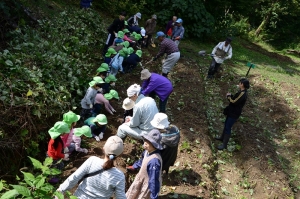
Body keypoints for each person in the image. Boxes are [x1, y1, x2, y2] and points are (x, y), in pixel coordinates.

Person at [57, 136, 126, 199]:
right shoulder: (119, 176)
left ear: (104, 148)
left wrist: (60, 191)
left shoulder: (92, 161)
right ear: (120, 154)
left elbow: (74, 178)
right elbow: (120, 197)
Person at [126, 129, 163, 199]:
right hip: (140, 181)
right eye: (145, 140)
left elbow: (154, 180)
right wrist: (134, 166)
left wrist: (154, 196)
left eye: (148, 142)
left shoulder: (154, 161)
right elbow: (142, 160)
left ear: (154, 145)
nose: (145, 143)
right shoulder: (147, 151)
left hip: (147, 186)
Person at [215, 78, 250, 150]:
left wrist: (228, 97)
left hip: (234, 113)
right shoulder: (241, 92)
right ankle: (222, 137)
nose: (239, 84)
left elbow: (234, 102)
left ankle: (224, 145)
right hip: (232, 111)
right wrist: (231, 95)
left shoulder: (243, 93)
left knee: (228, 127)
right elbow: (236, 99)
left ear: (242, 84)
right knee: (226, 124)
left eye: (240, 83)